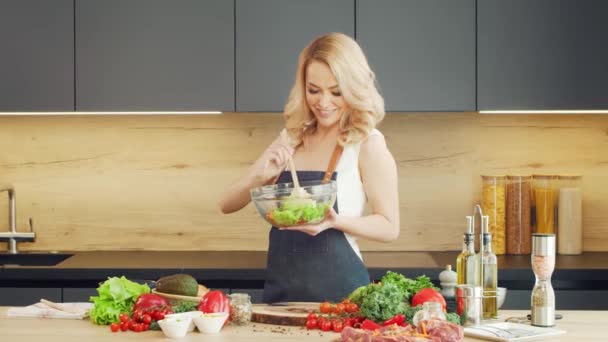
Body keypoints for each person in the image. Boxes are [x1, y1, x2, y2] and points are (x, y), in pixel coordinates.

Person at [218, 32, 399, 303]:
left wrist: (336, 222)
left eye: (336, 92)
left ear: (354, 88)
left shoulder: (366, 143)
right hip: (281, 300)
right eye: (314, 90)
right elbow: (226, 203)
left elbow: (389, 227)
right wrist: (260, 175)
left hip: (343, 302)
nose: (323, 103)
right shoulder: (291, 137)